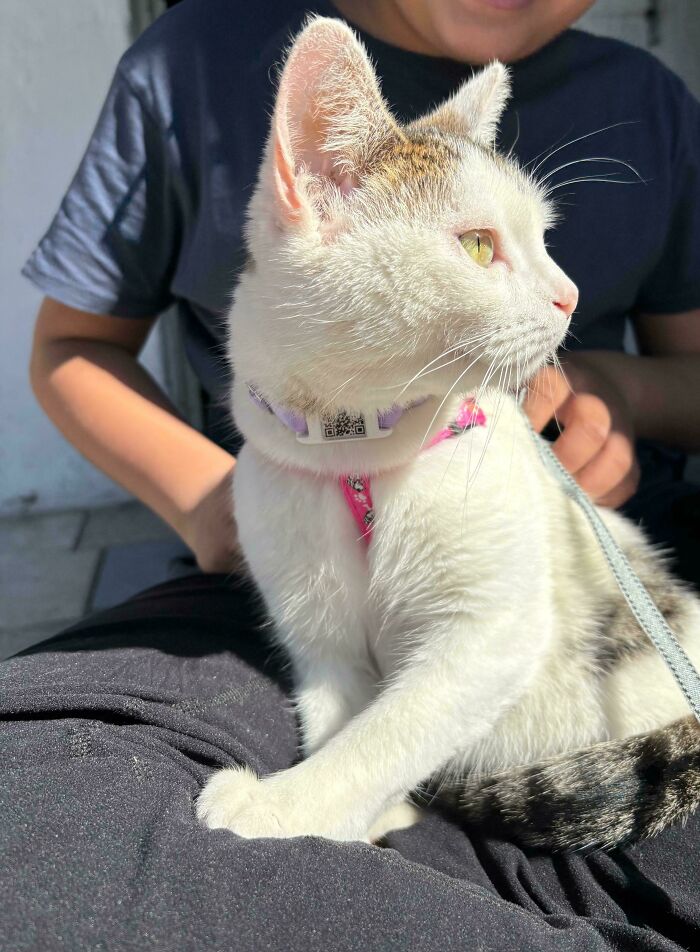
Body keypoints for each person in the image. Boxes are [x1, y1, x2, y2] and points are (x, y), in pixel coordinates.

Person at [3, 0, 699, 948]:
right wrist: (222, 507)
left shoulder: (650, 98)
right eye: (489, 247)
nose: (563, 294)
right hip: (266, 525)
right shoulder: (190, 63)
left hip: (597, 565)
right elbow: (72, 344)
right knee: (52, 808)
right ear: (320, 181)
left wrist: (621, 391)